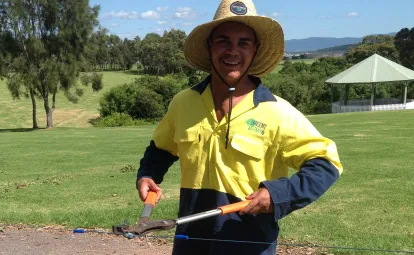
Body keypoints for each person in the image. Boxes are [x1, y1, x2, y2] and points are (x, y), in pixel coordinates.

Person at [136, 0, 343, 254]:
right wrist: (148, 174)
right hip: (190, 243)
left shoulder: (278, 112)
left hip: (250, 245)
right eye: (223, 41)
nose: (233, 51)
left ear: (254, 50)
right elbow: (161, 149)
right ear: (209, 46)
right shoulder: (183, 103)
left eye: (243, 43)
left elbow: (326, 163)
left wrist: (278, 194)